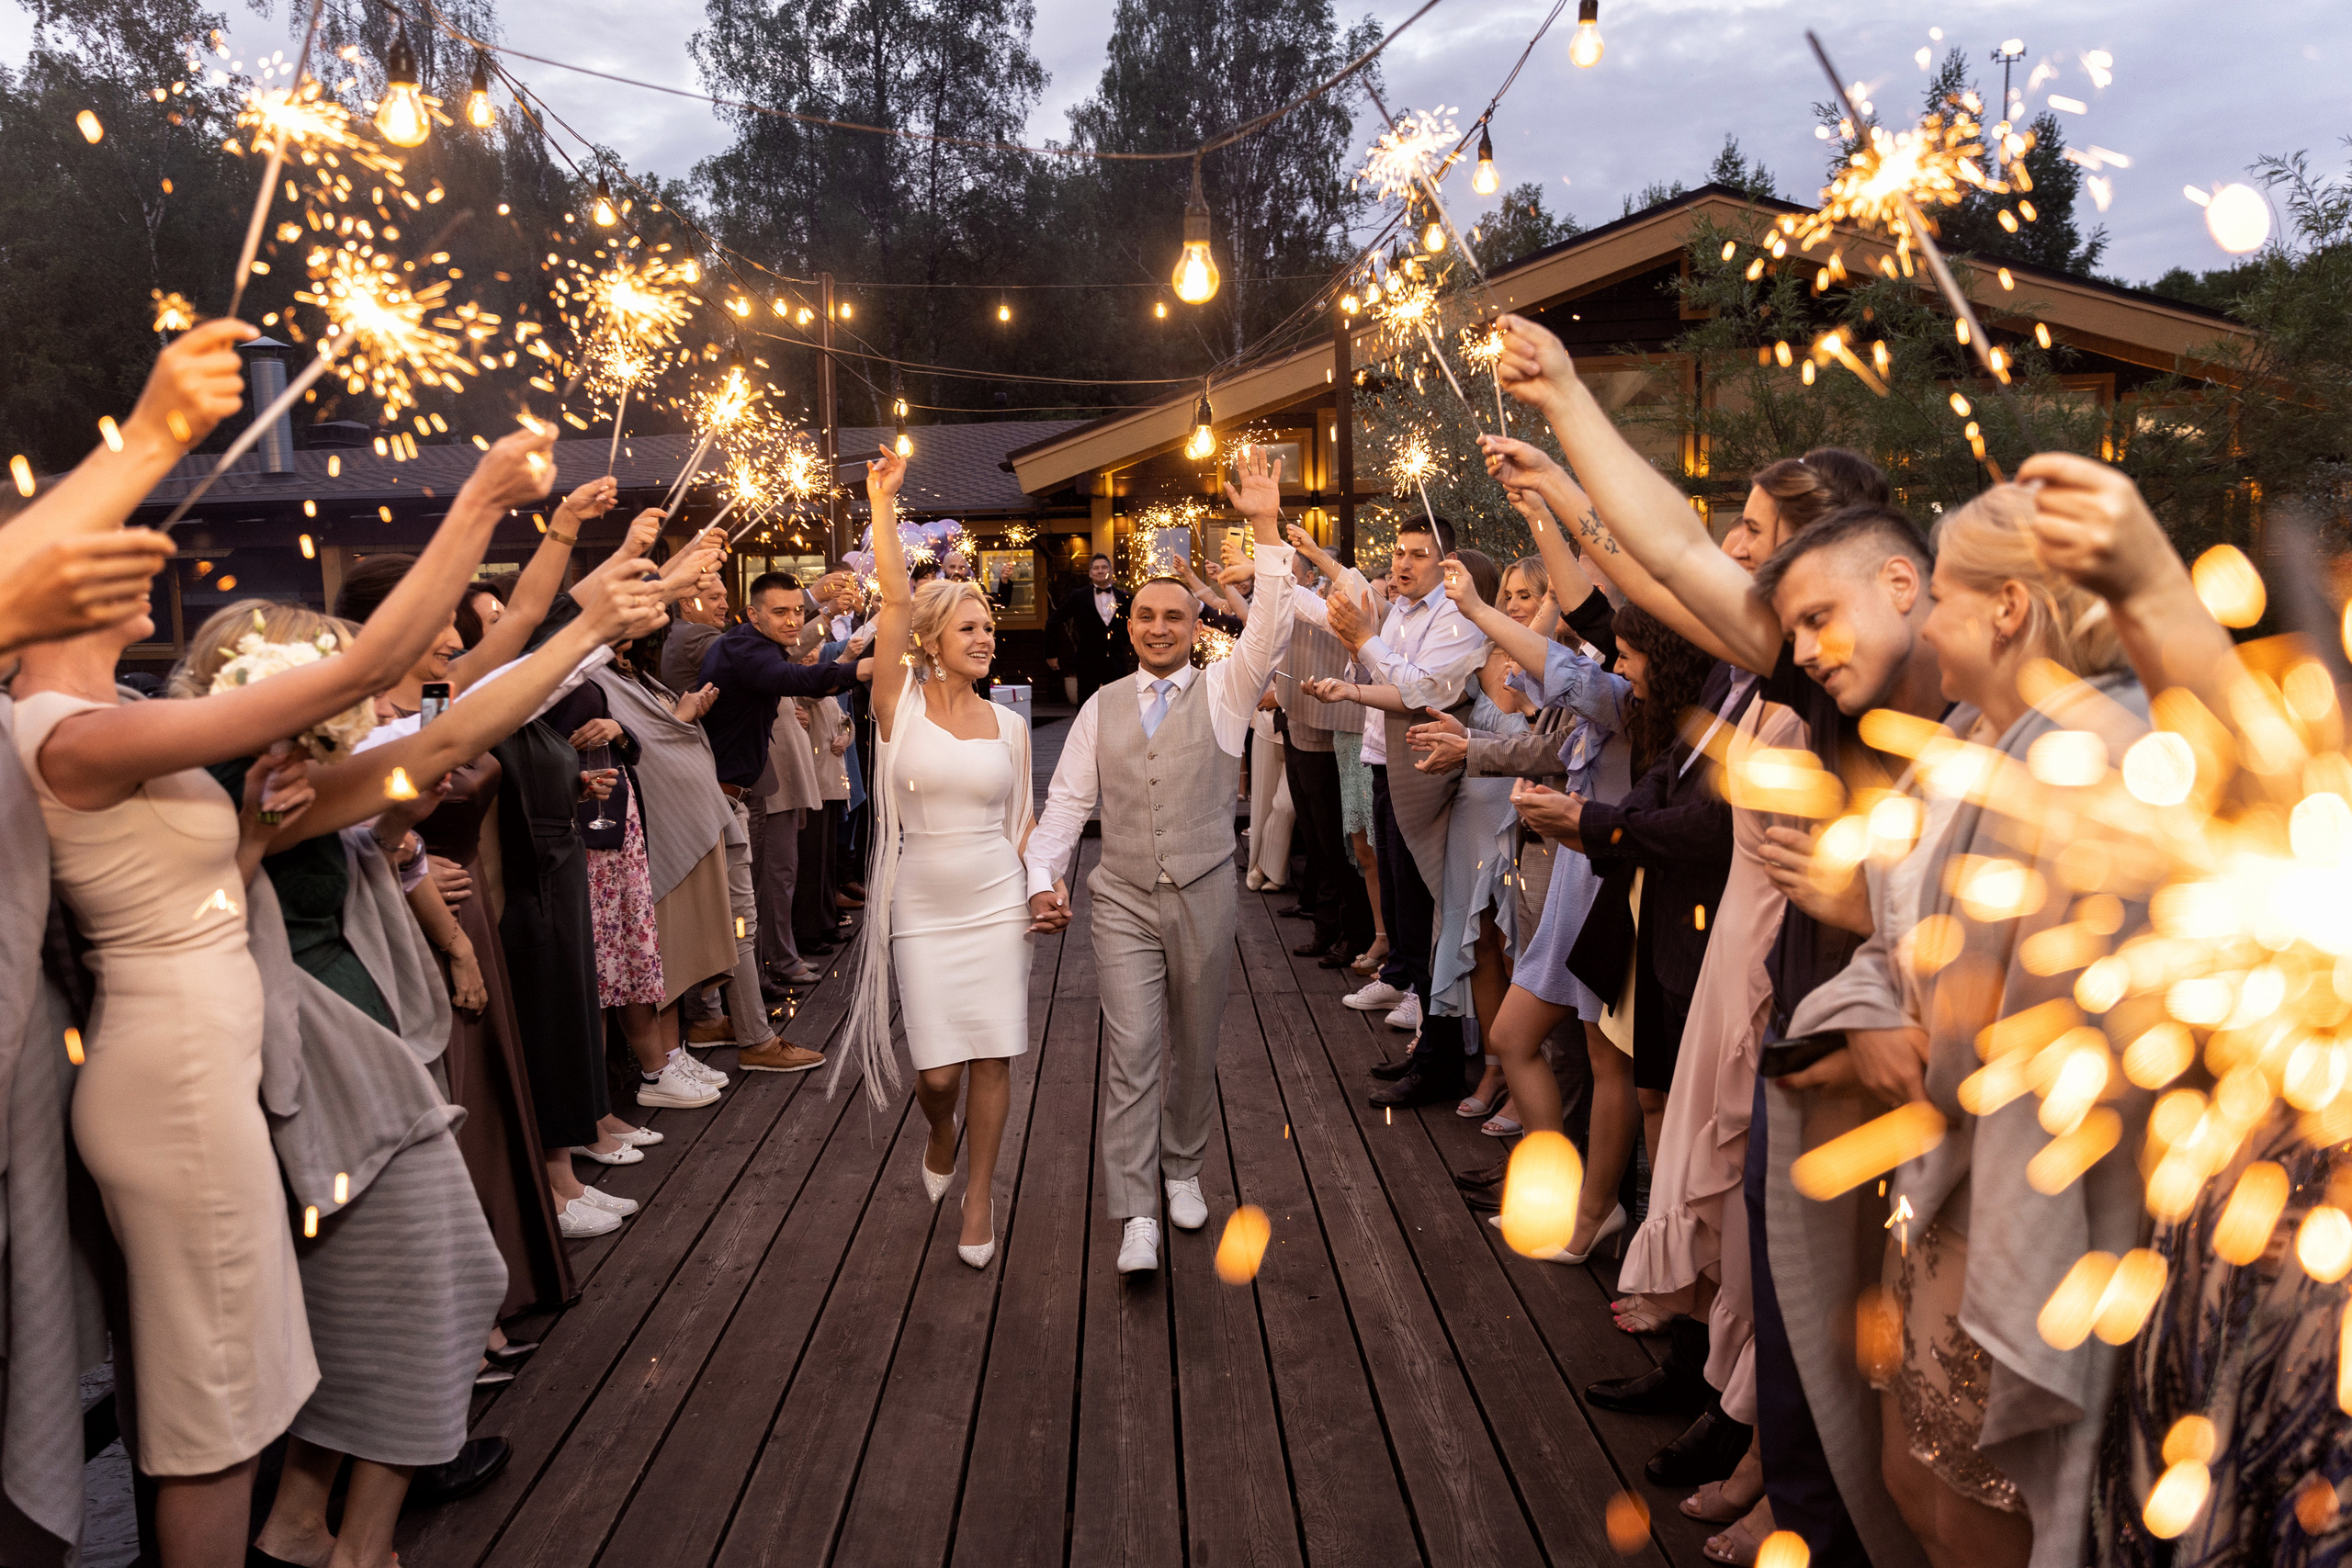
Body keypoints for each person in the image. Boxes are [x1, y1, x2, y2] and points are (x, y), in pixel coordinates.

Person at [9, 426, 556, 1568]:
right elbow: (363, 673)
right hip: (174, 1087)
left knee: (242, 1397)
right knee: (213, 1419)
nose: (145, 558)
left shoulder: (121, 730)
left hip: (209, 1063)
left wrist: (253, 837)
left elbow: (408, 757)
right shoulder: (74, 733)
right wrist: (481, 500)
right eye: (109, 548)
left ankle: (305, 1534)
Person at [1024, 447, 1294, 1275]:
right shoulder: (1101, 707)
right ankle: (1136, 1208)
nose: (1158, 627)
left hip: (1206, 892)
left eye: (1174, 616)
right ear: (1131, 624)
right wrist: (1042, 876)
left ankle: (1183, 1167)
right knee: (1133, 1048)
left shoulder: (1226, 690)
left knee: (1195, 1044)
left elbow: (1270, 626)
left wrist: (1265, 526)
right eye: (1145, 615)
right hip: (1122, 898)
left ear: (1194, 626)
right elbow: (1066, 802)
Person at [840, 447, 1039, 1268]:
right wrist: (883, 506)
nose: (986, 638)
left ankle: (980, 1194)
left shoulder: (1012, 726)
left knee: (992, 1052)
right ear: (929, 641)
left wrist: (1043, 889)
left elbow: (1023, 826)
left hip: (997, 903)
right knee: (938, 1074)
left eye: (989, 628)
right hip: (920, 905)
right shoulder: (898, 706)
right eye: (970, 628)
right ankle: (940, 1129)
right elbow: (894, 596)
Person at [1314, 516, 1492, 1081]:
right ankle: (1424, 1034)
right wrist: (1354, 666)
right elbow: (1383, 676)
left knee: (1422, 906)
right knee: (1397, 900)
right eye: (1398, 552)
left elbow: (1421, 691)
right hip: (1384, 760)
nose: (1404, 563)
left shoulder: (1454, 616)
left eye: (1419, 554)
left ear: (1446, 562)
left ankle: (1440, 1051)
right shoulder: (1401, 612)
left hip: (1426, 773)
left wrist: (1364, 644)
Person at [694, 570, 868, 1070]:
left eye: (797, 610)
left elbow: (792, 664)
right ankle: (756, 1040)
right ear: (753, 615)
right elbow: (796, 679)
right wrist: (861, 668)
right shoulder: (744, 650)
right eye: (781, 612)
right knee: (740, 919)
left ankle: (708, 1019)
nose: (793, 620)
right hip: (721, 799)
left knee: (724, 914)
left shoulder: (750, 644)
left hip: (732, 793)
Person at [1046, 553, 1133, 705]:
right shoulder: (1079, 597)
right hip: (1088, 664)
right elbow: (1053, 621)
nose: (1100, 571)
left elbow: (1133, 626)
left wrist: (1120, 644)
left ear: (1111, 571)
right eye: (1096, 568)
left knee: (1119, 707)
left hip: (1116, 664)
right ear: (1090, 573)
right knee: (1085, 708)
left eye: (1104, 567)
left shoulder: (1124, 598)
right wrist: (1051, 654)